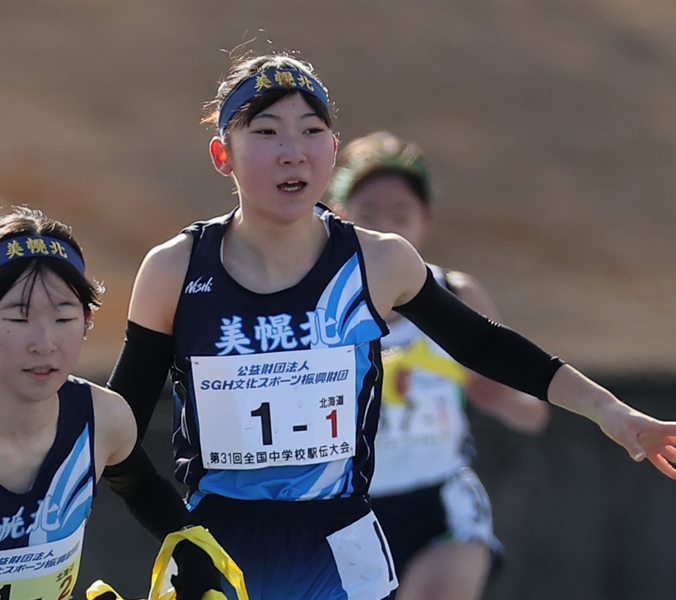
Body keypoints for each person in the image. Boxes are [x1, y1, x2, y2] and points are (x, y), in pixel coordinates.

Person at [106, 51, 676, 600]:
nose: (292, 152)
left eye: (311, 131)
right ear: (221, 153)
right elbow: (114, 432)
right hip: (217, 552)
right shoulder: (175, 270)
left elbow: (485, 345)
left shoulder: (380, 263)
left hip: (343, 551)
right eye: (265, 132)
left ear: (332, 149)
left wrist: (612, 412)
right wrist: (175, 531)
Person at [0, 207, 220, 600]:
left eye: (64, 319)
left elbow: (144, 488)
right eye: (19, 319)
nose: (44, 343)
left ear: (86, 322)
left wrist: (192, 549)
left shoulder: (104, 419)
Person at [329, 131, 550, 600]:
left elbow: (533, 413)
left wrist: (500, 397)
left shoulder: (455, 295)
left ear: (425, 222)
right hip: (342, 513)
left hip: (439, 505)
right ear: (337, 213)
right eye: (368, 213)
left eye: (401, 215)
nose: (386, 228)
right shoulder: (316, 306)